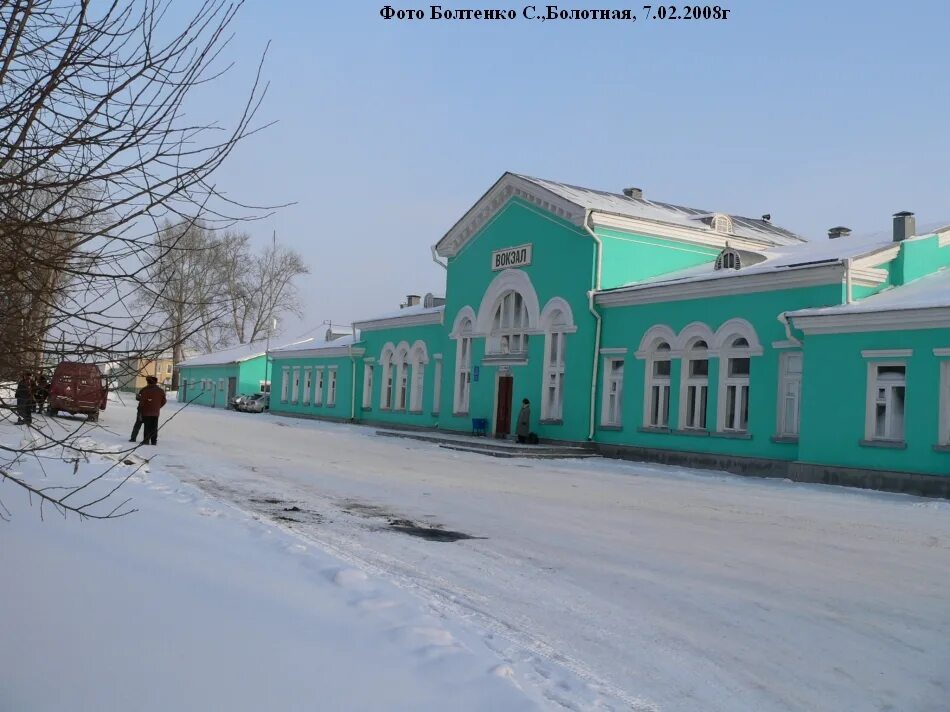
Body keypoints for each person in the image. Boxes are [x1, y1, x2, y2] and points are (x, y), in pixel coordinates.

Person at [137, 375, 167, 445]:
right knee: (154, 427)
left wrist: (140, 409)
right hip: (156, 412)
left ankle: (146, 440)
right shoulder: (161, 391)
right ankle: (154, 441)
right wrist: (158, 406)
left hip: (146, 411)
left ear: (148, 382)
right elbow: (164, 401)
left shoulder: (145, 390)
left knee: (147, 426)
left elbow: (142, 401)